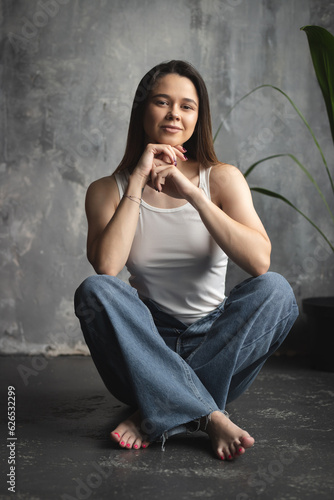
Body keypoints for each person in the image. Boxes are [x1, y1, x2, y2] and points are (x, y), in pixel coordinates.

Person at [74, 60, 298, 461]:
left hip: (216, 339)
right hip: (143, 344)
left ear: (199, 117)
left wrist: (194, 194)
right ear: (143, 111)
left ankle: (156, 409)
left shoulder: (223, 178)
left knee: (277, 291)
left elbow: (259, 262)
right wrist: (139, 180)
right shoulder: (106, 189)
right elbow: (107, 268)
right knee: (95, 291)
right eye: (162, 102)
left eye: (187, 106)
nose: (174, 113)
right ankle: (208, 414)